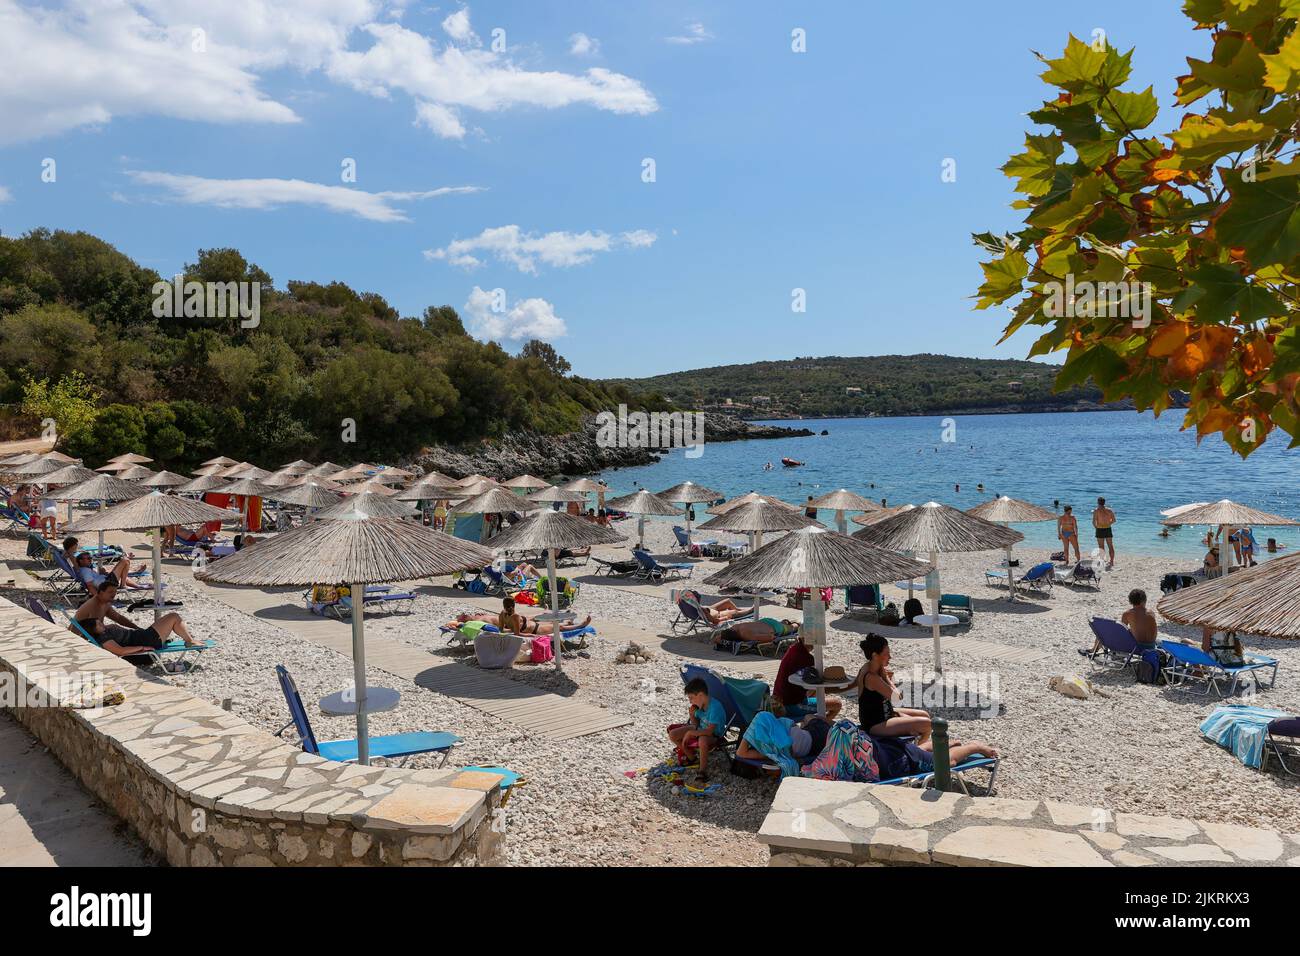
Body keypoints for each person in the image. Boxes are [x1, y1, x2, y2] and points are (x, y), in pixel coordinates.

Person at [852, 633, 998, 760]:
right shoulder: (872, 677)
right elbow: (897, 698)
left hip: (886, 714)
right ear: (875, 656)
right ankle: (921, 752)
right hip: (875, 724)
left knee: (924, 715)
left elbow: (853, 684)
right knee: (927, 724)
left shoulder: (869, 667)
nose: (890, 656)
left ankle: (920, 748)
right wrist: (889, 679)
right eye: (886, 653)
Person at [72, 580, 203, 656]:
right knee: (174, 616)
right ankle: (189, 640)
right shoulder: (91, 607)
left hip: (141, 636)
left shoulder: (104, 604)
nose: (114, 595)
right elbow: (77, 628)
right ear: (100, 592)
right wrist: (142, 647)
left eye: (115, 592)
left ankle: (188, 639)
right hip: (145, 640)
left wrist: (136, 627)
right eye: (110, 592)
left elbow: (119, 618)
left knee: (172, 617)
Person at [668, 677, 725, 778]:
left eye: (691, 698)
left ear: (700, 695)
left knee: (702, 740)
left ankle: (702, 771)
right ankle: (692, 757)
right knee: (673, 734)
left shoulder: (715, 707)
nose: (690, 701)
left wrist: (691, 733)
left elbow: (709, 731)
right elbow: (696, 724)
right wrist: (692, 715)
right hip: (700, 729)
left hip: (713, 735)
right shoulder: (700, 706)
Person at [1080, 589, 1157, 657]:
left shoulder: (1127, 614)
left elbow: (1121, 631)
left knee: (1105, 631)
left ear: (1130, 601)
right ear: (1144, 600)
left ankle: (1093, 650)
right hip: (1151, 647)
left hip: (1137, 649)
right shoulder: (1151, 612)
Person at [480, 597, 592, 635]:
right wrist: (530, 636)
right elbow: (517, 633)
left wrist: (509, 630)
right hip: (535, 630)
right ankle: (581, 626)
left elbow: (501, 630)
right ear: (513, 605)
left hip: (533, 625)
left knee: (553, 622)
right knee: (559, 627)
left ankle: (569, 621)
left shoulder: (502, 614)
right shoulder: (515, 616)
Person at [712, 617, 799, 647]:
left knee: (793, 628)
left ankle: (796, 624)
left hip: (775, 627)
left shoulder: (746, 635)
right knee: (783, 625)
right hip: (764, 621)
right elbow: (717, 638)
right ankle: (784, 622)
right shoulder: (734, 627)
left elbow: (771, 637)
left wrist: (773, 637)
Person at [1093, 496, 1116, 569]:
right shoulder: (1109, 510)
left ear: (1098, 502)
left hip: (1100, 529)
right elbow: (1114, 520)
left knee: (1101, 547)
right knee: (1110, 546)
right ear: (1104, 502)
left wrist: (1096, 527)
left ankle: (1102, 561)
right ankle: (1111, 561)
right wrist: (1108, 524)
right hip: (1108, 528)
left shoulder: (1096, 511)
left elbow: (1093, 522)